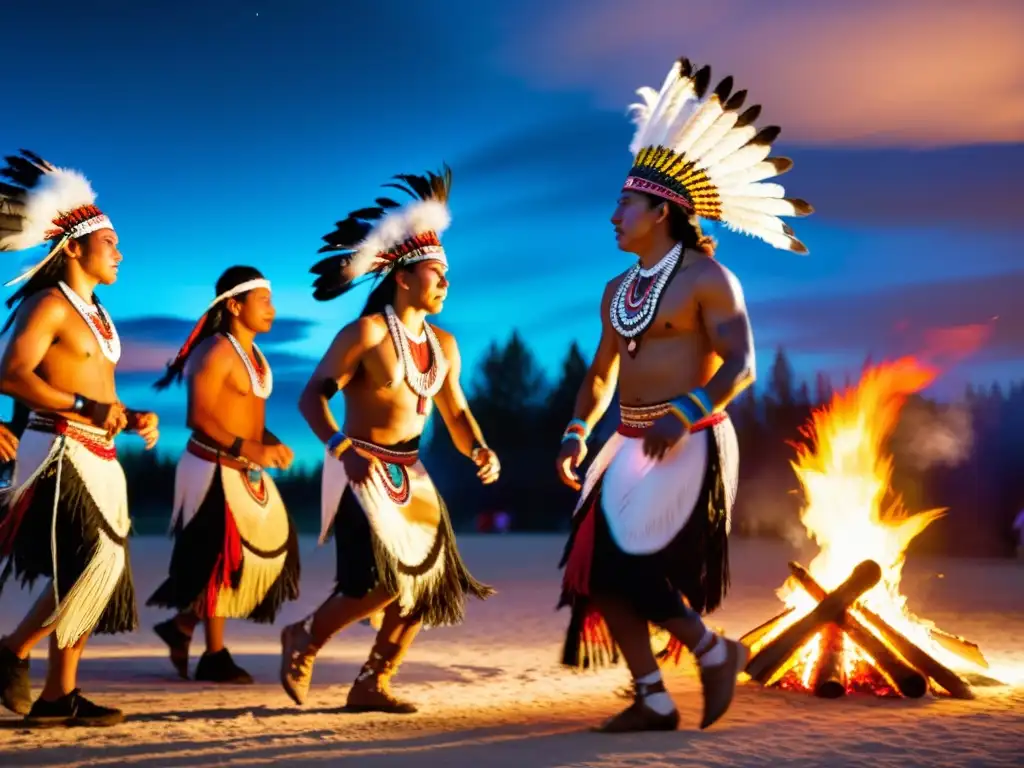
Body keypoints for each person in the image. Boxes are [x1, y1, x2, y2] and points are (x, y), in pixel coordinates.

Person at [554, 57, 814, 732]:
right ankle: (656, 694)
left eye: (625, 204)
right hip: (627, 442)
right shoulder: (617, 291)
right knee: (597, 572)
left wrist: (687, 412)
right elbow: (601, 372)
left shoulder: (709, 279)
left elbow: (743, 365)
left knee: (627, 565)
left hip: (691, 440)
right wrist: (578, 432)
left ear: (661, 211)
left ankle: (709, 651)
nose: (614, 216)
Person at [279, 165, 498, 713]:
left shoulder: (445, 346)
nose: (446, 282)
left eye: (447, 274)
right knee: (376, 583)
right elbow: (312, 399)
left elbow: (456, 410)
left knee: (426, 584)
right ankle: (304, 635)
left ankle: (373, 681)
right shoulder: (367, 333)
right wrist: (341, 449)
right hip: (359, 466)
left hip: (412, 473)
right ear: (403, 277)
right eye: (436, 273)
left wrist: (478, 447)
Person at [0, 150, 159, 726]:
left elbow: (97, 387)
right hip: (57, 445)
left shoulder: (96, 313)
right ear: (74, 247)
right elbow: (12, 374)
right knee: (89, 565)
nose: (119, 251)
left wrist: (130, 412)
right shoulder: (49, 304)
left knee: (98, 571)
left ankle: (54, 696)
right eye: (110, 242)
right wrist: (82, 405)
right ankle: (15, 655)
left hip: (97, 448)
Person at [148, 266, 300, 683]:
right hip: (209, 466)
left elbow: (248, 417)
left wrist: (268, 441)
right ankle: (212, 653)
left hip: (239, 465)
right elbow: (199, 417)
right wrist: (247, 447)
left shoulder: (254, 355)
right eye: (263, 300)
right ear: (235, 305)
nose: (272, 309)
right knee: (221, 560)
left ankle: (182, 628)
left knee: (241, 559)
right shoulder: (214, 350)